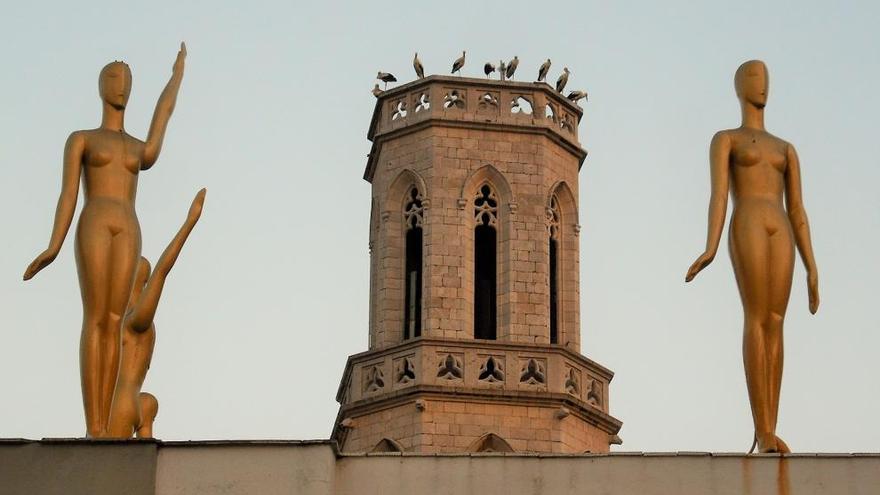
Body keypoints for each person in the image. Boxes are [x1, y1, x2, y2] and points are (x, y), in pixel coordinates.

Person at [24, 43, 187, 437]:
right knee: (95, 319)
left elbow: (162, 118)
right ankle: (94, 425)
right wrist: (54, 245)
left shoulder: (137, 148)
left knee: (115, 322)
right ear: (101, 87)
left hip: (128, 225)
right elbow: (67, 193)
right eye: (114, 79)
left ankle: (106, 424)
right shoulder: (81, 139)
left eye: (127, 81)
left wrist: (176, 76)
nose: (121, 87)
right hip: (94, 220)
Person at [686, 60, 819, 453]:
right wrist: (710, 247)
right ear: (741, 86)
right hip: (747, 222)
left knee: (777, 322)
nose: (762, 85)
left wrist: (812, 266)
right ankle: (761, 429)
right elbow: (719, 195)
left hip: (780, 226)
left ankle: (771, 427)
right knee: (757, 319)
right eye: (754, 78)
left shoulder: (786, 148)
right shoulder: (726, 139)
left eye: (765, 78)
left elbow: (798, 209)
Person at [108, 189, 205, 438]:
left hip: (118, 403)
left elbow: (161, 271)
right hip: (141, 401)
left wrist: (189, 223)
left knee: (104, 464)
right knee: (140, 463)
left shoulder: (133, 322)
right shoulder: (134, 322)